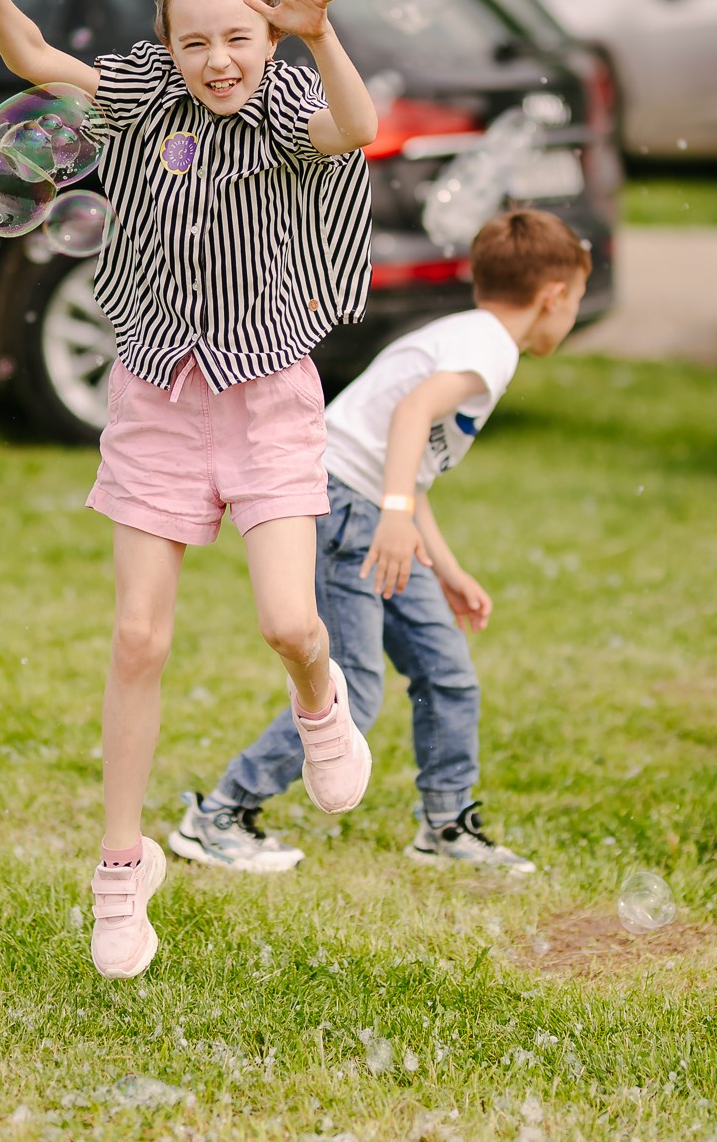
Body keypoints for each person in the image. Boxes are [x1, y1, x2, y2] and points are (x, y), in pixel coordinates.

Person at [0, 0, 380, 977]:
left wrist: (319, 36)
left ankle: (319, 703)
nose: (218, 58)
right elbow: (38, 61)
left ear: (267, 34)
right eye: (196, 42)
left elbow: (357, 129)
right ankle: (118, 865)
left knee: (290, 621)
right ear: (168, 46)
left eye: (240, 36)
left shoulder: (287, 105)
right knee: (137, 638)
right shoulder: (143, 97)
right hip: (156, 398)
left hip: (267, 395)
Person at [171, 209, 591, 874]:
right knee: (356, 689)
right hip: (346, 506)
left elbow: (408, 460)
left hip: (372, 506)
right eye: (577, 302)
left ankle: (447, 825)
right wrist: (393, 512)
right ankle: (221, 812)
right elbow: (408, 415)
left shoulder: (468, 336)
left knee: (445, 669)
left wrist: (444, 565)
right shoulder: (490, 348)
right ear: (555, 296)